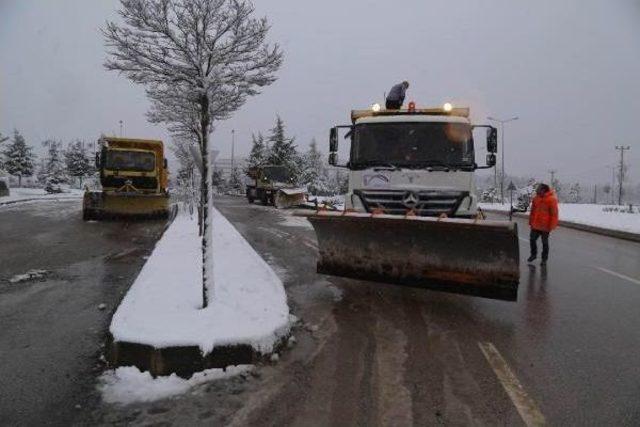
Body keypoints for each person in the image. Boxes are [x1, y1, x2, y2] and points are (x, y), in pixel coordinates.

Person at [527, 183, 559, 266]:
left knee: (544, 243)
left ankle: (544, 259)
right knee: (532, 239)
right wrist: (531, 221)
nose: (537, 190)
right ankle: (533, 254)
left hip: (545, 226)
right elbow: (532, 212)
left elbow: (554, 214)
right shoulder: (536, 199)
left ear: (544, 190)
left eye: (539, 189)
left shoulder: (551, 200)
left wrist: (552, 225)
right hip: (536, 225)